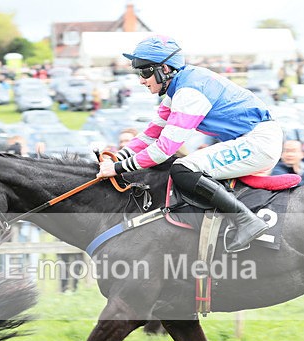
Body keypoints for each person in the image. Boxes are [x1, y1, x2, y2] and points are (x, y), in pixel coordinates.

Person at [96, 35, 281, 252]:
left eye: (145, 72)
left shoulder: (189, 92)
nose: (141, 80)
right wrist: (118, 156)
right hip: (252, 139)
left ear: (164, 69)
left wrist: (118, 168)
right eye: (139, 73)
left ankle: (246, 220)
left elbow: (164, 150)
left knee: (183, 168)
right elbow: (150, 135)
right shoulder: (178, 88)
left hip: (259, 142)